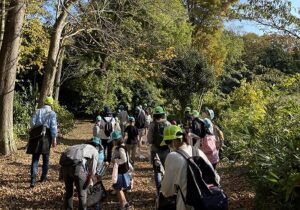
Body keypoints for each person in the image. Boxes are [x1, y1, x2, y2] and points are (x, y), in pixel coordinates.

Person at [160, 125, 217, 210]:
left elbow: (167, 190)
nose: (169, 146)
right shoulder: (198, 151)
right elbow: (216, 178)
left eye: (168, 142)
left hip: (186, 205)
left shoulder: (172, 156)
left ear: (175, 140)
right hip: (207, 202)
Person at [60, 137, 100, 210]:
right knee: (82, 193)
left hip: (65, 168)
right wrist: (90, 178)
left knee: (69, 192)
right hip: (77, 168)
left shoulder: (76, 146)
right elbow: (93, 168)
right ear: (97, 146)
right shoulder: (94, 150)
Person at [28, 96, 57, 188]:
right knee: (46, 158)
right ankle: (43, 177)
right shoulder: (52, 113)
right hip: (46, 137)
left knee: (35, 158)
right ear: (51, 104)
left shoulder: (37, 111)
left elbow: (32, 124)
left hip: (36, 136)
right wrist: (54, 139)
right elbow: (53, 127)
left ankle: (32, 180)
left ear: (44, 103)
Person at [147, 106, 170, 194]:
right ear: (162, 114)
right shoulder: (167, 124)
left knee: (157, 171)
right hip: (166, 150)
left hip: (155, 151)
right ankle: (167, 190)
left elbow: (149, 139)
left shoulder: (152, 125)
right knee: (167, 170)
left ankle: (159, 191)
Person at [108, 131, 132, 210]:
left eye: (113, 141)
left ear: (116, 140)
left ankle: (124, 205)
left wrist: (116, 161)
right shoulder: (122, 146)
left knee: (118, 188)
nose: (113, 142)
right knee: (118, 188)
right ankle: (124, 203)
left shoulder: (120, 148)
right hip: (122, 171)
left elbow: (124, 159)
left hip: (120, 171)